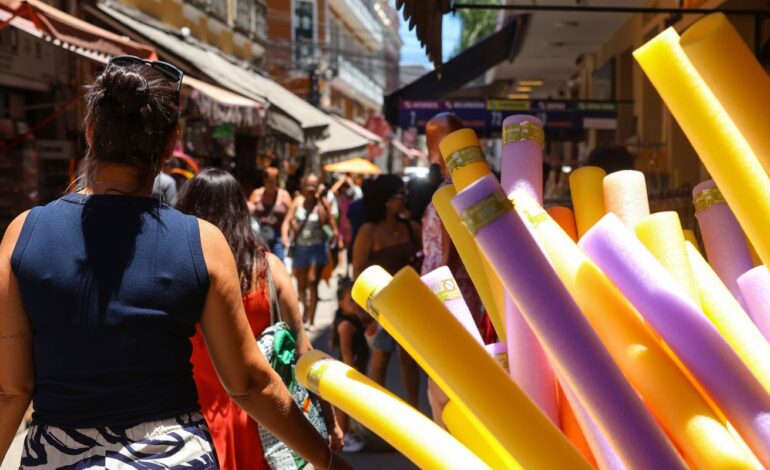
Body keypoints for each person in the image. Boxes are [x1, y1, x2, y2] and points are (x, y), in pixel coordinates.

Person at [0, 57, 348, 469]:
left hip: (57, 455)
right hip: (172, 455)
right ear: (170, 144)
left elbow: (12, 389)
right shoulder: (201, 242)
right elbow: (249, 383)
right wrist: (326, 460)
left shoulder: (24, 233)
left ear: (90, 132)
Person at [177, 169, 343, 468]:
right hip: (262, 420)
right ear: (242, 211)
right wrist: (329, 421)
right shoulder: (268, 269)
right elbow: (305, 352)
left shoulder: (176, 275)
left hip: (190, 421)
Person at [421, 112, 497, 427]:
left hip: (452, 299)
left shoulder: (454, 190)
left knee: (446, 391)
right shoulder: (474, 186)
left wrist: (434, 305)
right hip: (461, 296)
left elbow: (448, 257)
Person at [352, 174, 422, 408]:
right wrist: (363, 309)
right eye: (400, 195)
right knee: (380, 358)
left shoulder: (413, 228)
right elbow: (358, 272)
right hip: (379, 306)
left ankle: (414, 409)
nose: (405, 199)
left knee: (410, 359)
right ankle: (378, 414)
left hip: (410, 305)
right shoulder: (368, 232)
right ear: (386, 201)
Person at [281, 174, 336, 330]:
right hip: (301, 247)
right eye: (308, 186)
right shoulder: (297, 202)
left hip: (317, 247)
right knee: (301, 284)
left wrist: (319, 202)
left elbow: (329, 222)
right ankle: (305, 308)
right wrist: (285, 237)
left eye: (314, 186)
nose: (311, 189)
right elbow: (287, 220)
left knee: (313, 281)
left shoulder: (322, 203)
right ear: (303, 186)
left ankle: (311, 320)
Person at [330, 278, 370, 453]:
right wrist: (352, 375)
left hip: (355, 367)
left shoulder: (355, 318)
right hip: (349, 370)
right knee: (344, 405)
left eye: (356, 299)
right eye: (350, 301)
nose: (355, 304)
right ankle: (344, 436)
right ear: (340, 304)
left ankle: (348, 433)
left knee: (346, 404)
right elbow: (346, 352)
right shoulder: (346, 324)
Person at [248, 167, 292, 260]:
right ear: (264, 181)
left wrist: (285, 235)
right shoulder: (257, 194)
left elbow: (289, 217)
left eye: (273, 181)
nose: (270, 184)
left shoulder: (284, 195)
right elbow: (248, 212)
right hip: (260, 235)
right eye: (268, 181)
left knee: (279, 260)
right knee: (260, 261)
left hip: (277, 235)